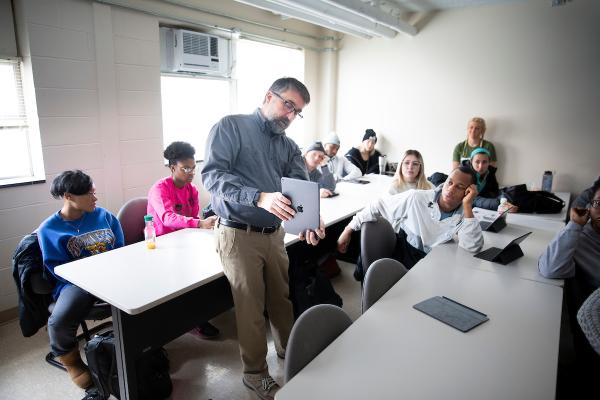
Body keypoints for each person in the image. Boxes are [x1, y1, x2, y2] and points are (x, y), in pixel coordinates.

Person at [201, 77, 325, 400]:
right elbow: (212, 177)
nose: (290, 115)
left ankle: (290, 353)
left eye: (297, 112)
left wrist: (310, 221)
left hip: (274, 234)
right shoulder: (231, 127)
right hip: (238, 232)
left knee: (281, 299)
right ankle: (255, 375)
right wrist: (259, 197)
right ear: (269, 96)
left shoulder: (287, 145)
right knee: (250, 308)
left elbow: (301, 186)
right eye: (288, 105)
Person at [37, 170, 124, 391]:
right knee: (58, 321)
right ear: (68, 196)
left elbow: (122, 252)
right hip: (77, 284)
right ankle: (74, 364)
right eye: (89, 194)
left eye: (94, 193)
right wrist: (90, 275)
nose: (95, 199)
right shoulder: (49, 229)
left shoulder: (104, 216)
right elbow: (55, 268)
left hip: (114, 275)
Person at [338, 166, 483, 275]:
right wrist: (348, 229)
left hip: (436, 265)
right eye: (449, 182)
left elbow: (472, 247)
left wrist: (468, 205)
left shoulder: (465, 212)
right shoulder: (416, 198)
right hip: (406, 258)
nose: (450, 189)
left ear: (468, 192)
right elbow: (377, 205)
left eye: (459, 187)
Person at [147, 141, 220, 339]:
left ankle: (202, 312)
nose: (191, 172)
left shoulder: (192, 190)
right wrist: (200, 224)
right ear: (172, 168)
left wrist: (201, 225)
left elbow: (194, 217)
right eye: (185, 168)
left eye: (193, 167)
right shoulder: (160, 189)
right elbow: (167, 218)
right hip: (163, 245)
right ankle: (193, 321)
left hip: (185, 241)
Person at [538, 182, 600, 395]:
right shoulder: (580, 239)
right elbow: (549, 268)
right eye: (599, 204)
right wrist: (574, 225)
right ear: (589, 207)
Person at [467, 147, 518, 212]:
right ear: (471, 161)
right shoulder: (465, 173)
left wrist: (503, 198)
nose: (481, 166)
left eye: (484, 162)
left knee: (507, 194)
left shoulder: (490, 172)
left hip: (486, 197)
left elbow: (495, 191)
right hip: (472, 199)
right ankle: (505, 206)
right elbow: (468, 198)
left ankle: (506, 205)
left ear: (489, 162)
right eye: (477, 162)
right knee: (496, 203)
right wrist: (500, 203)